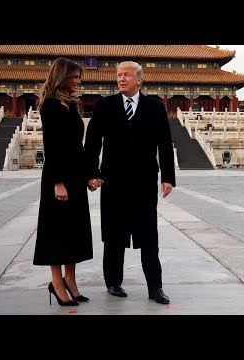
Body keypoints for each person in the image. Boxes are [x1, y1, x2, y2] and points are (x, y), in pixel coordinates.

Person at [84, 61, 175, 304]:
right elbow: (92, 141)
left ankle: (155, 288)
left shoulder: (154, 107)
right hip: (113, 181)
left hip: (144, 183)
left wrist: (167, 178)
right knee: (114, 236)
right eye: (118, 75)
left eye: (126, 75)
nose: (121, 79)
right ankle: (113, 282)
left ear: (139, 79)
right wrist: (91, 173)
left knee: (149, 237)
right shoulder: (105, 105)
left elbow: (165, 144)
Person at [33, 57, 93, 306]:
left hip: (75, 176)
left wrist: (88, 175)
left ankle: (71, 280)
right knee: (57, 231)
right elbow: (53, 146)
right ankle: (57, 282)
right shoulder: (50, 105)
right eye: (75, 77)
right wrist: (58, 182)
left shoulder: (71, 104)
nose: (79, 81)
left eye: (79, 77)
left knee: (74, 230)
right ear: (63, 76)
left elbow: (76, 146)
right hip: (58, 176)